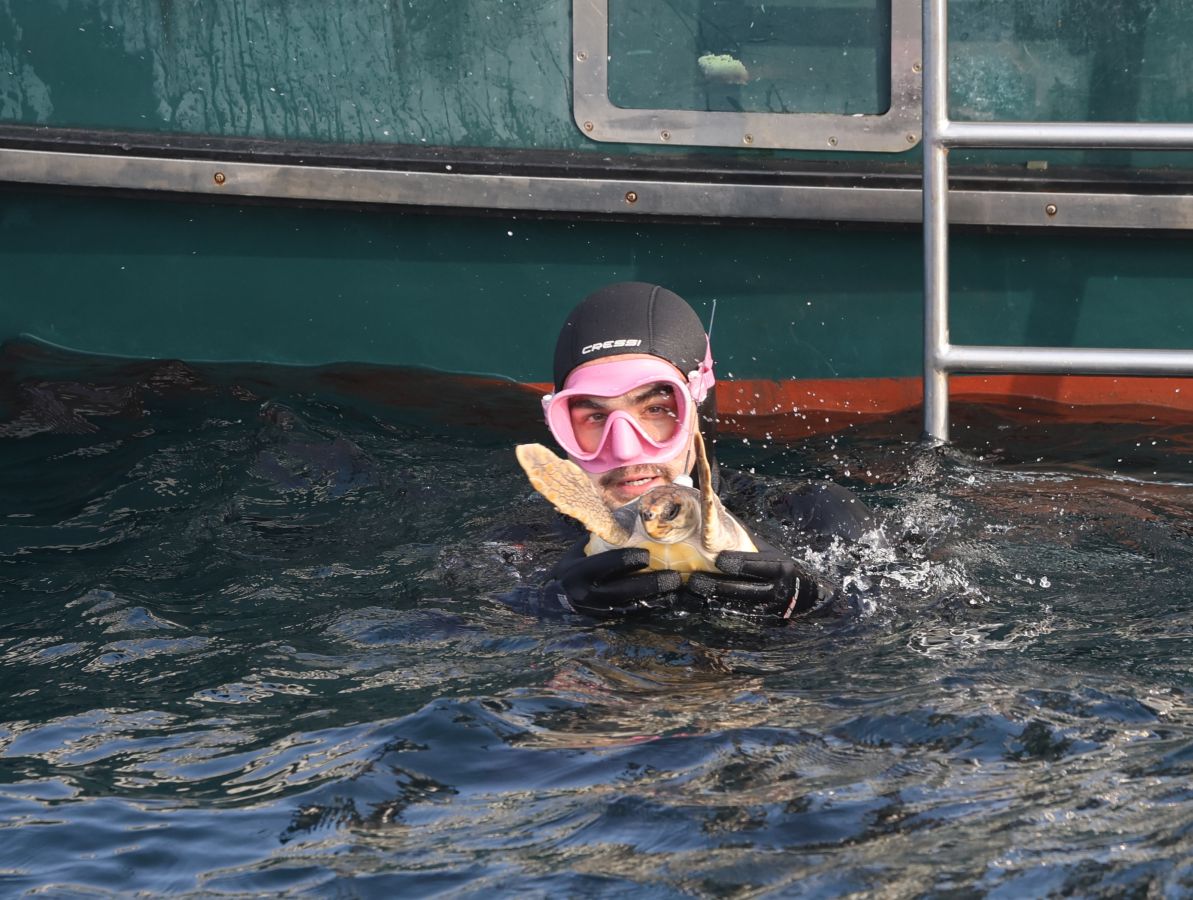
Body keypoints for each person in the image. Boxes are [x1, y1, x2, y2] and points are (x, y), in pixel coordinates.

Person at [530, 282, 879, 623]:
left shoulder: (811, 513)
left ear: (699, 407)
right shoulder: (533, 545)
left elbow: (901, 629)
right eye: (594, 417)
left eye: (655, 409)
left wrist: (815, 604)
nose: (624, 450)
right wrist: (554, 605)